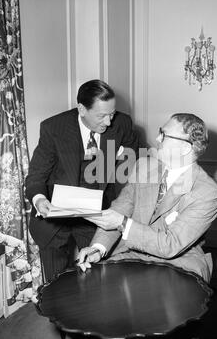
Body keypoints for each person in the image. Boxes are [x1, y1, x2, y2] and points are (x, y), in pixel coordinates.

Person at [77, 112, 217, 339]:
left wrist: (123, 224)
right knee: (84, 313)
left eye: (164, 134)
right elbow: (122, 207)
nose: (157, 138)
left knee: (179, 324)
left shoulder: (208, 193)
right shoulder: (145, 166)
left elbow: (170, 245)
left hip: (180, 262)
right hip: (132, 253)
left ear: (187, 148)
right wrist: (98, 248)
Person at [25, 79, 140, 283]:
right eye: (102, 116)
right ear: (81, 109)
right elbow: (36, 175)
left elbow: (132, 171)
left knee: (98, 280)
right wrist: (40, 200)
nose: (108, 122)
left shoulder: (122, 123)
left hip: (97, 214)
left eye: (111, 114)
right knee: (56, 285)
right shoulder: (54, 128)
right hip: (55, 218)